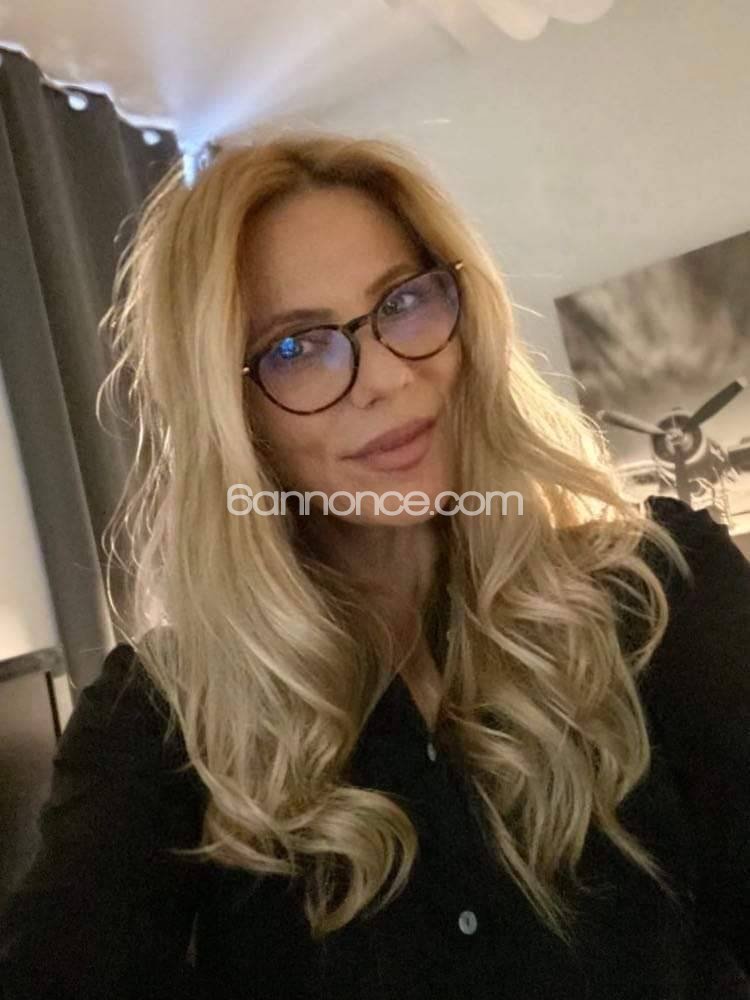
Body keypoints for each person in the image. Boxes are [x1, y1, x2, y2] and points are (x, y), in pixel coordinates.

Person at [1, 128, 748, 1000]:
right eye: (295, 347)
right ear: (233, 417)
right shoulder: (162, 722)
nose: (386, 375)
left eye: (403, 301)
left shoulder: (660, 592)